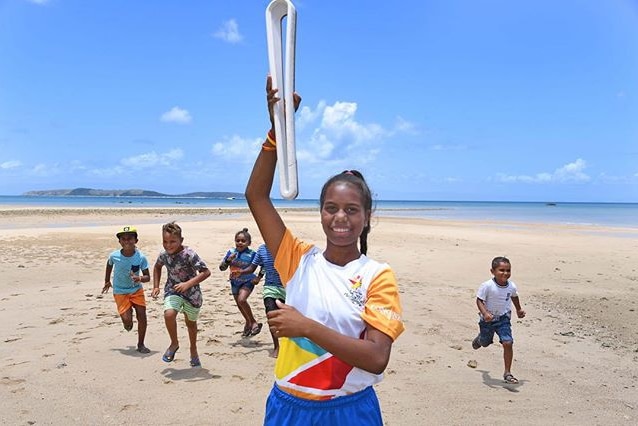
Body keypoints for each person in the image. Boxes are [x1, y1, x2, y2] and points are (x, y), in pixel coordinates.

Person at [245, 76, 405, 425]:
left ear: (366, 216)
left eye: (351, 209)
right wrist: (277, 132)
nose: (340, 218)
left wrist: (305, 326)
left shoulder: (377, 276)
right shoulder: (297, 258)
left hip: (349, 409)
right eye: (331, 207)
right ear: (320, 212)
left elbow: (377, 357)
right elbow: (256, 196)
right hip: (289, 405)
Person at [152, 222, 211, 367]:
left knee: (191, 324)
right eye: (165, 242)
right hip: (173, 291)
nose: (168, 245)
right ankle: (174, 343)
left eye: (173, 241)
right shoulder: (164, 255)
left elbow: (206, 272)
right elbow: (157, 266)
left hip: (192, 295)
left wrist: (188, 284)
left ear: (181, 240)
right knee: (169, 314)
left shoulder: (189, 254)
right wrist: (156, 286)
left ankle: (193, 349)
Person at [472, 256, 526, 384]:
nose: (505, 273)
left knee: (508, 342)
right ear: (493, 271)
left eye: (508, 270)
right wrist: (485, 313)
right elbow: (479, 300)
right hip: (488, 320)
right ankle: (480, 339)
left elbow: (514, 296)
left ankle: (507, 373)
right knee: (485, 342)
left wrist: (519, 309)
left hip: (503, 318)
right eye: (501, 270)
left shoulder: (511, 286)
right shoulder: (487, 286)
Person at [102, 225, 151, 354]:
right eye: (123, 239)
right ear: (120, 242)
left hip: (136, 290)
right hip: (120, 291)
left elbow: (148, 277)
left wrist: (140, 278)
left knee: (142, 316)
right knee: (128, 322)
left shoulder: (141, 257)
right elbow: (109, 264)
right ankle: (127, 322)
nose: (127, 241)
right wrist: (107, 281)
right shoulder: (114, 256)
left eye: (130, 238)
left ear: (136, 241)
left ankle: (141, 344)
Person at [219, 228, 262, 337]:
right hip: (234, 282)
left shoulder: (253, 254)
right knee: (239, 305)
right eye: (238, 240)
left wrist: (258, 277)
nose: (240, 243)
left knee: (242, 300)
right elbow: (222, 268)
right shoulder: (231, 252)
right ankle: (248, 322)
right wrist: (228, 260)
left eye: (243, 241)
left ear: (249, 243)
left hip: (248, 281)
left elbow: (263, 265)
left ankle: (253, 322)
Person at [247, 244, 286, 357]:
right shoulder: (262, 249)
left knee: (286, 318)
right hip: (270, 287)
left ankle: (289, 346)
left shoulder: (286, 246)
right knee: (271, 316)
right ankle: (277, 346)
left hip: (288, 287)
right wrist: (241, 271)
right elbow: (253, 267)